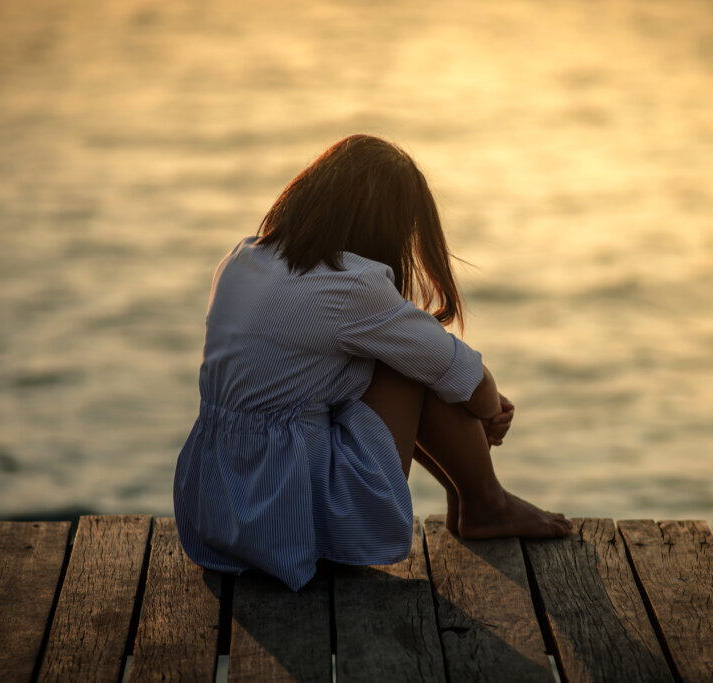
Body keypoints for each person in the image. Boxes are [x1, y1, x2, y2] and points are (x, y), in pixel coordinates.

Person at [173, 134, 570, 590]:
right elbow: (464, 375)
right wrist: (489, 409)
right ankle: (486, 502)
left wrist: (473, 395)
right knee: (408, 361)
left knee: (393, 354)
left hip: (217, 511)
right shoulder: (350, 287)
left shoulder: (242, 258)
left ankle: (478, 499)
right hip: (291, 523)